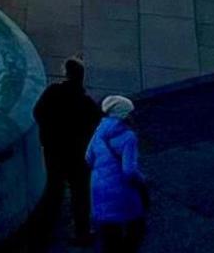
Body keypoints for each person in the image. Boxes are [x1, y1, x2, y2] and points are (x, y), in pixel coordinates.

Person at [35, 60, 102, 238]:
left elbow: (38, 112)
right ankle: (82, 232)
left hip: (54, 151)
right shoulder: (87, 103)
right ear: (82, 77)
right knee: (80, 193)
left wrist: (47, 135)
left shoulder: (53, 92)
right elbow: (96, 128)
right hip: (78, 156)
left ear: (66, 73)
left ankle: (45, 231)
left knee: (53, 190)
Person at [85, 95, 146, 253]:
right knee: (135, 230)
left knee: (108, 237)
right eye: (131, 112)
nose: (133, 114)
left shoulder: (99, 131)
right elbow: (129, 171)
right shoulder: (129, 137)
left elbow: (88, 157)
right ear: (124, 114)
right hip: (121, 190)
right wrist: (142, 179)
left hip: (98, 189)